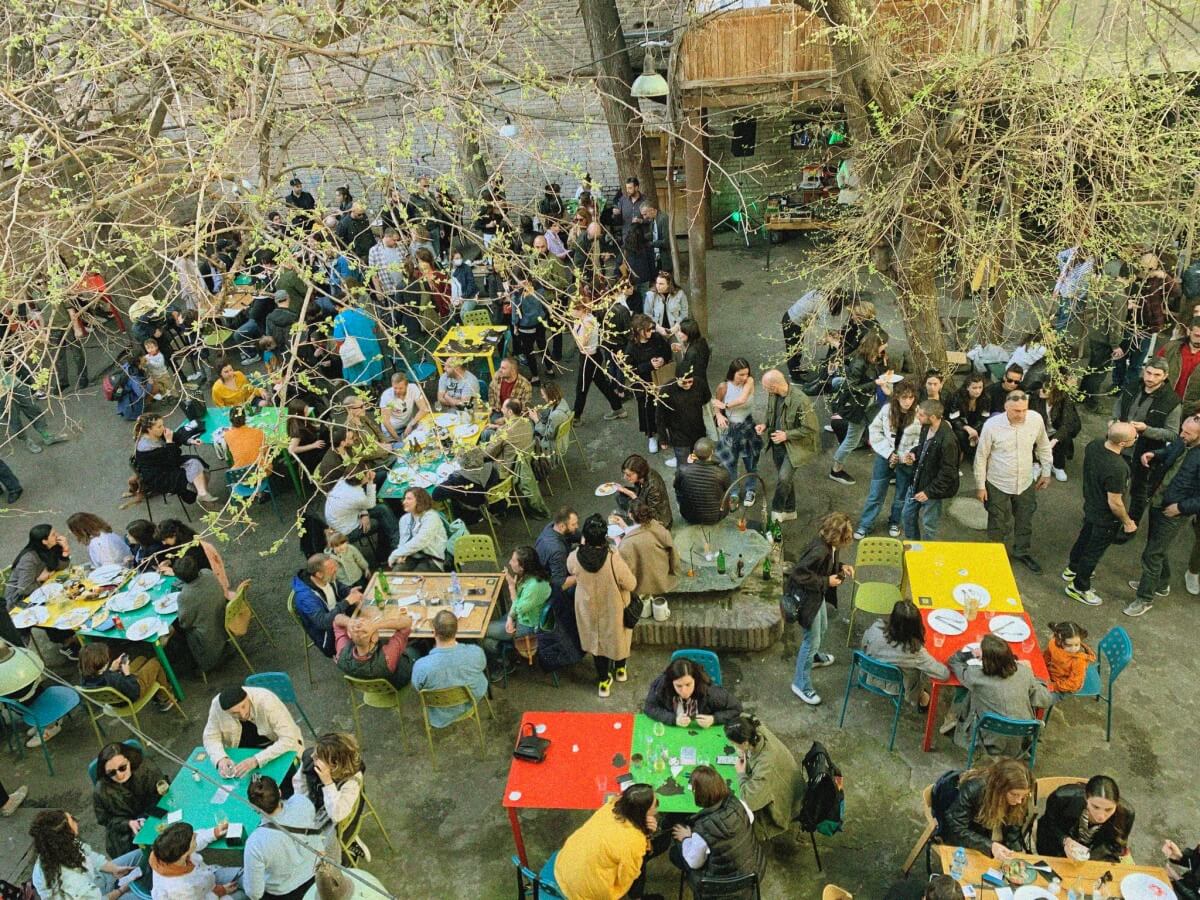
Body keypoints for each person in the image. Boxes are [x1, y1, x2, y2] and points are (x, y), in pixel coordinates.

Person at [1125, 413, 1200, 617]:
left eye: (1187, 433)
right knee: (1157, 547)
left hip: (1174, 512)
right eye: (1182, 430)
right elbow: (1170, 451)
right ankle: (1161, 583)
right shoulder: (1183, 441)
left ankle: (1144, 599)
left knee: (1152, 554)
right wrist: (1154, 454)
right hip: (1159, 501)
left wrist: (1181, 508)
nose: (1182, 435)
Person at [975, 390, 1052, 572]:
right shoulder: (992, 426)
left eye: (1024, 410)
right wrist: (980, 486)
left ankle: (1021, 551)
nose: (1021, 414)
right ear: (1006, 407)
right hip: (997, 482)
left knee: (1025, 518)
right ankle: (996, 552)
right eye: (1017, 411)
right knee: (997, 520)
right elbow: (981, 457)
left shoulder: (1035, 419)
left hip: (1025, 481)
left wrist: (1046, 472)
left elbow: (1043, 445)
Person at [1062, 422, 1137, 606]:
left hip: (1091, 505)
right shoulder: (1118, 468)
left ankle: (1072, 568)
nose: (1136, 438)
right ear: (1123, 443)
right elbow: (1115, 502)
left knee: (1085, 537)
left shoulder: (1094, 445)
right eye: (1134, 437)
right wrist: (1127, 522)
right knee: (1093, 553)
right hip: (1105, 518)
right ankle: (1079, 587)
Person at [787, 511, 854, 706]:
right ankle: (800, 683)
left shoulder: (828, 545)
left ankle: (814, 657)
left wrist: (841, 567)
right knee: (811, 640)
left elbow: (825, 566)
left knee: (822, 627)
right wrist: (827, 581)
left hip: (816, 596)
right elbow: (798, 574)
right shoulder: (820, 551)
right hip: (808, 599)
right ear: (838, 536)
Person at [945, 635, 1052, 754]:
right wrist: (1034, 678)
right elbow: (1046, 699)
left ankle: (953, 721)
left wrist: (971, 654)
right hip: (1022, 741)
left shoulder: (975, 676)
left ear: (985, 660)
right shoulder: (1024, 672)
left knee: (971, 694)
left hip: (988, 741)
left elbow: (953, 661)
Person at [568, 514, 637, 697]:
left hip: (588, 609)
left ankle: (603, 681)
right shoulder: (613, 558)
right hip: (614, 608)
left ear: (585, 536)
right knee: (619, 639)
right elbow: (631, 584)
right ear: (604, 536)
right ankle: (620, 670)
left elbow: (571, 570)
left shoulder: (574, 557)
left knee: (597, 645)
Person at [553, 784, 659, 900]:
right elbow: (627, 877)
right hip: (584, 892)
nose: (657, 806)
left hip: (564, 867)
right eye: (655, 804)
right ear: (643, 812)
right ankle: (636, 897)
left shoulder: (610, 806)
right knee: (641, 863)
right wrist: (646, 834)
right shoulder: (634, 841)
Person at [669, 766, 765, 892]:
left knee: (674, 853)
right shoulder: (738, 803)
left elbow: (694, 863)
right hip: (754, 873)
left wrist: (687, 838)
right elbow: (750, 818)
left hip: (720, 887)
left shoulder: (703, 829)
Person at [1112, 359, 1182, 530]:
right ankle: (1109, 518)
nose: (1150, 378)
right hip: (1120, 446)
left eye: (1157, 375)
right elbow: (1119, 405)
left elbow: (1172, 434)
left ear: (1165, 376)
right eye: (1148, 373)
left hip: (1144, 453)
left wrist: (1146, 430)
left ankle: (1131, 525)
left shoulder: (1172, 402)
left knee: (1138, 490)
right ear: (1144, 370)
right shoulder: (1133, 385)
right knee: (1113, 484)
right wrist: (1113, 422)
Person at [855, 379, 920, 540]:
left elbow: (920, 439)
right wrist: (889, 453)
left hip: (906, 460)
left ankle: (895, 522)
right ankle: (865, 525)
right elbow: (875, 431)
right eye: (904, 397)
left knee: (901, 495)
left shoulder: (918, 413)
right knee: (876, 493)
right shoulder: (887, 410)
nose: (908, 401)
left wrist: (910, 455)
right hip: (885, 456)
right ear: (897, 396)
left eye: (911, 397)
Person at [30, 809, 143, 900]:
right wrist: (122, 889)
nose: (77, 821)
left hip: (96, 879)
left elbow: (91, 856)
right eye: (73, 820)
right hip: (95, 895)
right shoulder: (71, 880)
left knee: (141, 854)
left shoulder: (60, 846)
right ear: (65, 834)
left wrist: (115, 869)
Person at [932, 759, 1032, 861]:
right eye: (1014, 794)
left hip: (991, 838)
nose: (1019, 801)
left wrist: (1015, 856)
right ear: (1000, 788)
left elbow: (1013, 833)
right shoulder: (973, 790)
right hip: (971, 838)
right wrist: (990, 846)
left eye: (1024, 795)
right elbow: (955, 829)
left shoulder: (1020, 798)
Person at [243, 775, 324, 900]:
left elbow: (255, 894)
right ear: (279, 792)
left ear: (254, 808)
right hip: (317, 875)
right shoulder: (301, 802)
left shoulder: (255, 843)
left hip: (285, 893)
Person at [724, 715, 801, 842]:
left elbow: (748, 801)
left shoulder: (765, 766)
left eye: (734, 743)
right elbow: (743, 715)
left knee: (732, 817)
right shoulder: (754, 728)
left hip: (787, 804)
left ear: (745, 743)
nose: (732, 745)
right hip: (788, 780)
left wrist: (741, 774)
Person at [757, 369, 820, 523]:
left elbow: (811, 428)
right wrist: (765, 425)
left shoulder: (801, 400)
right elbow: (770, 413)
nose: (764, 390)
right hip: (777, 445)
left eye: (766, 387)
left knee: (784, 478)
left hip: (795, 447)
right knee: (785, 479)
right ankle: (790, 510)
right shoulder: (773, 395)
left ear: (774, 386)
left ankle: (777, 511)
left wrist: (786, 435)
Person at [861, 600, 950, 710]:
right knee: (919, 674)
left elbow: (864, 646)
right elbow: (943, 675)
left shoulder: (876, 627)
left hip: (871, 675)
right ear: (916, 626)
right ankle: (921, 698)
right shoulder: (915, 653)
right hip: (896, 687)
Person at [829, 331, 892, 485]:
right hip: (858, 407)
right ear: (877, 345)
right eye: (884, 343)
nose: (886, 346)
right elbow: (852, 387)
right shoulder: (860, 363)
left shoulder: (873, 358)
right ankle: (836, 470)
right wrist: (874, 384)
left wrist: (884, 365)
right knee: (851, 440)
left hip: (868, 405)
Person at [202, 685, 304, 779]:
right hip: (242, 749)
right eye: (235, 713)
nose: (243, 714)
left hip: (275, 746)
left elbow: (289, 739)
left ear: (247, 697)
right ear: (226, 711)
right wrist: (221, 758)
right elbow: (210, 737)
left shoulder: (267, 701)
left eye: (243, 706)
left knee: (284, 779)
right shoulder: (217, 707)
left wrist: (256, 760)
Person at [292, 733, 366, 858]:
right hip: (315, 804)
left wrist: (328, 782)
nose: (312, 756)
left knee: (320, 849)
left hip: (336, 814)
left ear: (333, 764)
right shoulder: (310, 760)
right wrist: (304, 807)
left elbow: (336, 815)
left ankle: (349, 842)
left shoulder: (352, 780)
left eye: (318, 756)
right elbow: (299, 783)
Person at [411, 609, 488, 725]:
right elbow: (482, 666)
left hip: (439, 712)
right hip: (471, 701)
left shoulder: (421, 666)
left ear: (434, 632)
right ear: (456, 630)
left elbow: (417, 688)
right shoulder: (476, 652)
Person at [92, 741, 167, 857]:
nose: (119, 775)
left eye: (122, 768)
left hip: (153, 813)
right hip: (125, 833)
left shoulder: (147, 769)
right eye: (111, 773)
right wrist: (128, 823)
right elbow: (105, 819)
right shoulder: (101, 790)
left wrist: (147, 814)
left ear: (130, 761)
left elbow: (161, 789)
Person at [1036, 776, 1134, 863]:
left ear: (1116, 804)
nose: (1101, 816)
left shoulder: (1126, 813)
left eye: (1108, 809)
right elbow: (1048, 824)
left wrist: (1089, 857)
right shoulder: (1062, 798)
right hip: (1058, 846)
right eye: (1095, 807)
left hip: (1096, 854)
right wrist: (1065, 840)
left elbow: (1116, 845)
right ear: (1086, 798)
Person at [900, 399, 960, 541]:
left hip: (931, 491)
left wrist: (928, 492)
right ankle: (914, 546)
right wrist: (914, 453)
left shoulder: (948, 440)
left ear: (932, 417)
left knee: (929, 526)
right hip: (917, 483)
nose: (917, 417)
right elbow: (923, 448)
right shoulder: (926, 427)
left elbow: (948, 473)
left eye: (921, 415)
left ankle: (927, 550)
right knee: (907, 516)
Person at [482, 547, 551, 668]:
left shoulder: (534, 587)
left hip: (525, 626)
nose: (509, 562)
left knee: (482, 631)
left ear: (522, 567)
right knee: (489, 641)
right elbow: (519, 604)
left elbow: (518, 608)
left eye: (513, 561)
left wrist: (511, 587)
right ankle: (508, 658)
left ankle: (506, 663)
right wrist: (509, 617)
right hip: (522, 617)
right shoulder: (532, 576)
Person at [291, 553, 364, 657]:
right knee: (366, 635)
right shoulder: (306, 598)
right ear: (319, 574)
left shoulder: (326, 577)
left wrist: (349, 592)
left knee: (369, 613)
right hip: (328, 637)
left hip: (340, 616)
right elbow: (323, 622)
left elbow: (338, 586)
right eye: (332, 569)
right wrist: (347, 601)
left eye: (335, 566)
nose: (336, 570)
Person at [134, 413, 217, 504]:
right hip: (160, 476)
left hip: (167, 465)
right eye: (159, 426)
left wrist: (191, 441)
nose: (163, 428)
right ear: (149, 429)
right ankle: (202, 498)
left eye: (163, 425)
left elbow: (177, 436)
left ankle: (202, 494)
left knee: (196, 462)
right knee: (195, 474)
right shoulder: (146, 448)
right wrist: (169, 441)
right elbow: (171, 460)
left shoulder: (157, 433)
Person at [148, 820, 242, 900]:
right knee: (243, 894)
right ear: (185, 852)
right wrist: (218, 892)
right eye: (194, 838)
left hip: (207, 877)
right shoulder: (181, 888)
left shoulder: (168, 852)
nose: (197, 834)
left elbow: (193, 841)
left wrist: (214, 832)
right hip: (207, 895)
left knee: (243, 875)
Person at [713, 358, 761, 507]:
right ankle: (734, 492)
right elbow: (717, 404)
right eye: (741, 374)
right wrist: (719, 415)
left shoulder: (749, 381)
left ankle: (750, 489)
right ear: (732, 373)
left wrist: (725, 406)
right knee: (730, 463)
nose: (744, 377)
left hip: (747, 426)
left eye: (746, 373)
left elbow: (742, 399)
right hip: (730, 428)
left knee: (750, 462)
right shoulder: (723, 386)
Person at [325, 469, 399, 562]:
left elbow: (355, 502)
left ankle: (389, 547)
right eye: (367, 471)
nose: (370, 471)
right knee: (383, 512)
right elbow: (370, 503)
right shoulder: (357, 495)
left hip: (346, 517)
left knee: (383, 507)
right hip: (347, 531)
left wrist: (364, 513)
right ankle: (396, 547)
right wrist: (370, 481)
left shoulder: (343, 481)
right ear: (362, 478)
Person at [644, 657, 742, 727]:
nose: (684, 692)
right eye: (679, 686)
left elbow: (736, 708)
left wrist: (714, 719)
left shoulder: (711, 693)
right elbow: (649, 707)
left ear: (696, 680)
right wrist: (673, 719)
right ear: (671, 683)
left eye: (688, 684)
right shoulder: (661, 687)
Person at [333, 607, 414, 691]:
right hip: (396, 683)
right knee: (413, 647)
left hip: (371, 687)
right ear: (374, 638)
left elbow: (336, 620)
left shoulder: (341, 654)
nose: (360, 621)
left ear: (349, 635)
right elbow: (406, 624)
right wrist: (376, 625)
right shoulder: (387, 657)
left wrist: (349, 622)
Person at [171, 554, 228, 675]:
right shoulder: (207, 573)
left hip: (207, 633)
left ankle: (195, 662)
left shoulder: (185, 596)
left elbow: (184, 624)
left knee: (175, 629)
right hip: (223, 617)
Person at [624, 314, 673, 453]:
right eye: (648, 330)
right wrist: (649, 365)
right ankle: (652, 435)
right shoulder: (631, 347)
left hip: (660, 379)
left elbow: (667, 351)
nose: (651, 332)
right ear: (639, 331)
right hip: (644, 385)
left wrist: (662, 359)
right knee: (648, 410)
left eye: (652, 328)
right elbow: (629, 370)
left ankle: (667, 432)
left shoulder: (656, 338)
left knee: (665, 406)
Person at [80, 643, 175, 713]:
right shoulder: (115, 678)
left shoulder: (85, 679)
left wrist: (111, 670)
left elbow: (105, 678)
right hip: (132, 694)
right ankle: (164, 699)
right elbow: (134, 691)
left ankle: (160, 691)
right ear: (103, 663)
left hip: (115, 700)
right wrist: (127, 674)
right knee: (155, 662)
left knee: (141, 659)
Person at [156, 519, 234, 599]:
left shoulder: (191, 549)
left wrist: (173, 572)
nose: (164, 543)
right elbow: (179, 556)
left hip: (202, 579)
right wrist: (170, 561)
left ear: (174, 534)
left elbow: (191, 572)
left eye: (165, 539)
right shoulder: (185, 537)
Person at [618, 500, 679, 599]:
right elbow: (673, 554)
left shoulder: (627, 543)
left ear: (630, 515)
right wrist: (675, 571)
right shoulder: (659, 528)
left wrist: (617, 540)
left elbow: (625, 566)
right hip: (662, 577)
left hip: (643, 584)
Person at [1030, 382, 1081, 481]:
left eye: (1044, 390)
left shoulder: (1065, 400)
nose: (1041, 392)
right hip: (1040, 430)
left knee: (1064, 436)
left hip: (1055, 431)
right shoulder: (1036, 396)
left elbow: (1067, 424)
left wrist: (1052, 442)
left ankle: (1057, 465)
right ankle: (1036, 463)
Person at [387, 486, 447, 571]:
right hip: (411, 556)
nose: (404, 502)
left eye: (409, 499)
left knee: (415, 577)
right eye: (404, 499)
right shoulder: (404, 519)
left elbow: (421, 541)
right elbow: (403, 540)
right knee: (396, 573)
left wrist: (395, 554)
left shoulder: (431, 517)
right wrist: (401, 555)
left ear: (420, 500)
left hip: (432, 558)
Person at [674, 437, 730, 526]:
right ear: (712, 452)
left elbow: (677, 487)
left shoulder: (683, 470)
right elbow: (727, 489)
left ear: (694, 453)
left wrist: (688, 464)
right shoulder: (722, 473)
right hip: (714, 517)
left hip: (689, 515)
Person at [612, 453, 672, 530]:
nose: (625, 477)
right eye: (625, 474)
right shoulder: (642, 476)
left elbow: (651, 513)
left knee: (625, 500)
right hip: (644, 502)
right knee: (620, 496)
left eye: (628, 475)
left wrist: (632, 495)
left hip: (659, 521)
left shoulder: (653, 487)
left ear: (639, 472)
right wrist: (624, 490)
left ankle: (632, 523)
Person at [1042, 621, 1097, 702]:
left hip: (1065, 686)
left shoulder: (1079, 661)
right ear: (1059, 641)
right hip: (1052, 674)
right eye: (1069, 645)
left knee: (1041, 699)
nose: (1074, 649)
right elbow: (1047, 655)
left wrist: (1053, 686)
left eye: (1077, 644)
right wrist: (1042, 667)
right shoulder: (1053, 643)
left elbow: (1074, 684)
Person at [535, 507, 580, 596]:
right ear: (562, 526)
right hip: (550, 583)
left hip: (551, 565)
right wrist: (583, 575)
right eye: (573, 524)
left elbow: (576, 535)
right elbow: (561, 584)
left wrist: (585, 539)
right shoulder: (557, 550)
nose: (577, 526)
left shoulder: (553, 526)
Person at [1157, 317, 1200, 407]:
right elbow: (1154, 369)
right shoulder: (1170, 348)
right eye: (1197, 336)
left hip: (1192, 409)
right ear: (1188, 331)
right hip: (1164, 402)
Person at [67, 512, 133, 571]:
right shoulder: (103, 533)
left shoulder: (97, 543)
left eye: (72, 530)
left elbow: (109, 568)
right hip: (121, 565)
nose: (70, 532)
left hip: (120, 570)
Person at [945, 372, 988, 461]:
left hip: (976, 423)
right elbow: (954, 419)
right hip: (960, 423)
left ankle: (976, 453)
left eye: (980, 387)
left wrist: (975, 430)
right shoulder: (957, 397)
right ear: (967, 387)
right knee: (960, 434)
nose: (978, 391)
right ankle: (968, 452)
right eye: (974, 388)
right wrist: (968, 429)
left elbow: (984, 418)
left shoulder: (986, 398)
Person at [530, 381, 572, 455]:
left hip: (554, 446)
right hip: (562, 439)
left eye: (543, 395)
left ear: (550, 395)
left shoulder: (556, 415)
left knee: (529, 439)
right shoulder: (561, 401)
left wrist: (536, 420)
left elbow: (548, 435)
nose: (542, 397)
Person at [644, 271, 689, 340]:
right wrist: (659, 328)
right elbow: (647, 315)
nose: (658, 286)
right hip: (657, 331)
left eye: (661, 284)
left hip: (675, 330)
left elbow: (684, 313)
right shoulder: (650, 295)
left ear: (668, 284)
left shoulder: (680, 294)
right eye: (657, 283)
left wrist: (675, 327)